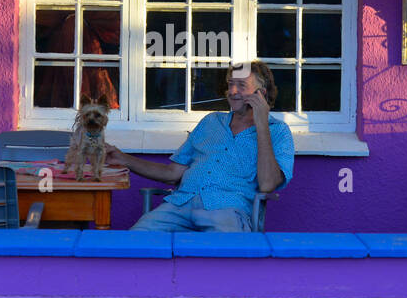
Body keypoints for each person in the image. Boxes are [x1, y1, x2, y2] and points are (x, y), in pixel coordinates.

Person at [105, 61, 294, 232]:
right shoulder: (210, 122)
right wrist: (122, 158)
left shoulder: (278, 131)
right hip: (179, 205)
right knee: (135, 242)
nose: (233, 91)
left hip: (226, 211)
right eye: (230, 85)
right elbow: (172, 173)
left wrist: (261, 125)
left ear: (261, 93)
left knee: (227, 258)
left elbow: (268, 184)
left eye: (241, 85)